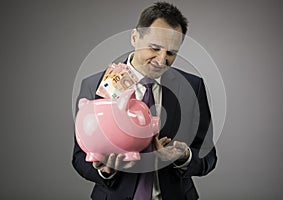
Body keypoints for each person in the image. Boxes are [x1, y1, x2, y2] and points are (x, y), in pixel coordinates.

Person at [72, 2, 217, 200]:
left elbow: (208, 156)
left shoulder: (193, 87)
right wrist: (106, 170)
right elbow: (79, 157)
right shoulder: (94, 85)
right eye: (155, 48)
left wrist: (183, 157)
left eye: (171, 53)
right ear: (135, 37)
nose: (161, 59)